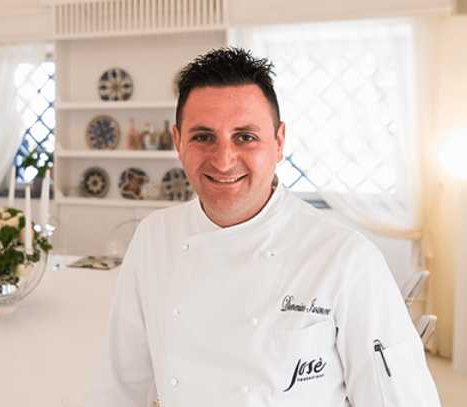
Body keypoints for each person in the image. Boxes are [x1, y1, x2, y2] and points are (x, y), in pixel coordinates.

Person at [86, 47, 441, 407]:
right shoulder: (154, 237)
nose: (223, 160)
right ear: (178, 142)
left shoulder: (346, 258)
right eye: (203, 137)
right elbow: (119, 385)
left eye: (245, 137)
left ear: (279, 142)